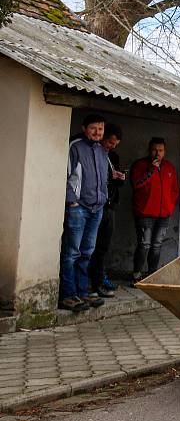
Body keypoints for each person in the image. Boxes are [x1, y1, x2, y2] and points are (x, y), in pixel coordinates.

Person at [59, 114, 109, 312]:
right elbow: (65, 173)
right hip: (78, 208)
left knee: (87, 252)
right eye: (93, 128)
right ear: (84, 127)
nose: (97, 133)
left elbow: (103, 179)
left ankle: (82, 291)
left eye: (101, 129)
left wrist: (103, 198)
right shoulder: (75, 146)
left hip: (96, 208)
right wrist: (71, 201)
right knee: (71, 253)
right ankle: (68, 295)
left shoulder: (101, 150)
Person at [130, 137, 180, 284]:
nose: (157, 153)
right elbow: (137, 185)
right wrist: (151, 169)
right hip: (144, 213)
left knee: (157, 245)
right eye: (154, 150)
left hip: (164, 214)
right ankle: (136, 275)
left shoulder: (169, 167)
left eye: (160, 150)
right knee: (144, 244)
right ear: (149, 150)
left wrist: (169, 206)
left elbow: (174, 190)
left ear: (165, 151)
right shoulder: (140, 165)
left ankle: (151, 275)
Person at [87, 124, 126, 297]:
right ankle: (90, 282)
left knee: (103, 245)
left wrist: (119, 178)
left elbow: (115, 181)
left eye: (115, 143)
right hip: (95, 205)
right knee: (89, 246)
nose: (112, 146)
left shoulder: (113, 156)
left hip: (110, 205)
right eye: (110, 142)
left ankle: (99, 279)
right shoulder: (94, 153)